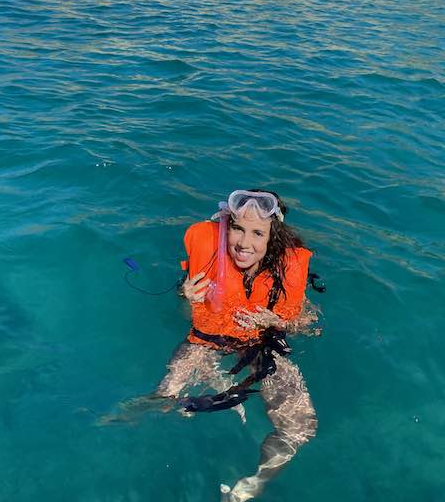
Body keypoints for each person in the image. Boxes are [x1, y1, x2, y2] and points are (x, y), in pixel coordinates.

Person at [123, 190, 318, 501]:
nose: (244, 243)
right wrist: (185, 300)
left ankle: (251, 485)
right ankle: (128, 443)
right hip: (208, 340)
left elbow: (307, 325)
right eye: (238, 229)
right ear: (227, 226)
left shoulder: (284, 271)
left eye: (257, 233)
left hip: (261, 344)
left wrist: (276, 321)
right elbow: (189, 319)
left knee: (300, 428)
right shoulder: (210, 259)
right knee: (163, 398)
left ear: (272, 238)